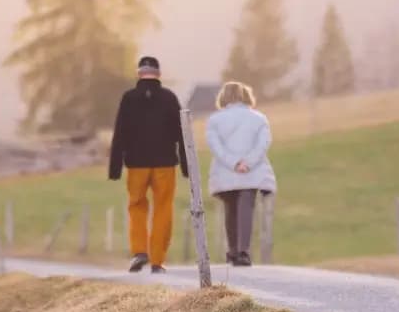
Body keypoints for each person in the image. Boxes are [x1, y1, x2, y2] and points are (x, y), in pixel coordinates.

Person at [108, 55, 188, 274]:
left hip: (137, 164)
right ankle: (157, 261)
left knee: (136, 206)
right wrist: (186, 165)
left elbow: (120, 133)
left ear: (139, 73)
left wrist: (115, 166)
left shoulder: (129, 98)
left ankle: (139, 251)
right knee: (163, 208)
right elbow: (182, 134)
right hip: (164, 163)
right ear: (159, 74)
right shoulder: (170, 98)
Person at [205, 81, 276, 266]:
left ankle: (233, 251)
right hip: (251, 173)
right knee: (246, 209)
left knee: (230, 210)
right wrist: (247, 163)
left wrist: (233, 162)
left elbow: (215, 146)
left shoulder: (215, 120)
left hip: (226, 171)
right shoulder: (259, 118)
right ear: (246, 96)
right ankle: (243, 251)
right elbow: (263, 144)